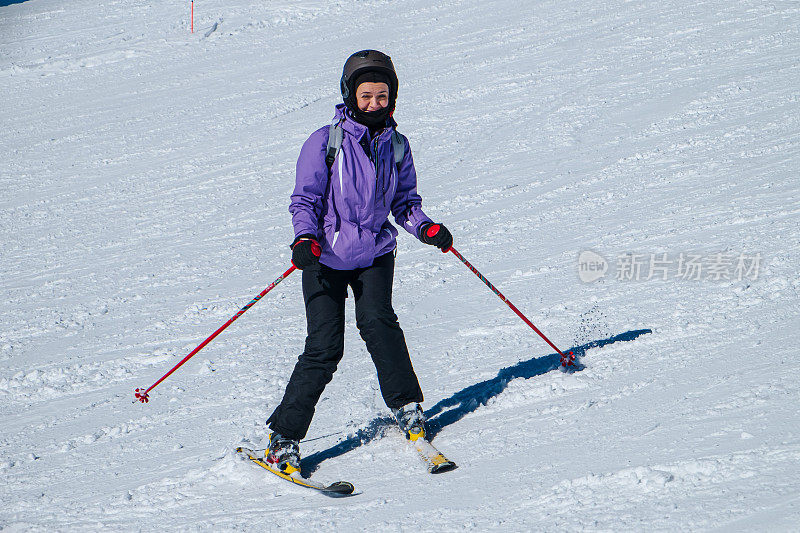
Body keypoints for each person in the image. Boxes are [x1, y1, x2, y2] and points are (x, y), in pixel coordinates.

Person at [264, 50, 453, 474]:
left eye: (382, 95)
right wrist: (305, 237)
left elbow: (405, 201)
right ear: (350, 95)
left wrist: (425, 227)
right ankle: (283, 439)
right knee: (325, 347)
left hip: (374, 255)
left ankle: (408, 410)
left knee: (380, 325)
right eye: (365, 95)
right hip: (324, 258)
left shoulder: (397, 145)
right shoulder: (325, 141)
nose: (374, 104)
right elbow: (305, 199)